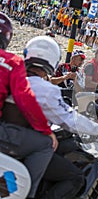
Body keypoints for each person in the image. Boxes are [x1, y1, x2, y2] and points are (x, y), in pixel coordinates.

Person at [23, 36, 98, 198]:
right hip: (28, 148)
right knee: (75, 178)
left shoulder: (10, 79)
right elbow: (70, 120)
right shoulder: (47, 90)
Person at [0, 12, 57, 199]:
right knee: (46, 145)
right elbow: (24, 99)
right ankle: (25, 194)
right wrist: (46, 131)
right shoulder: (12, 62)